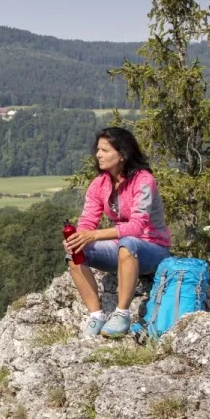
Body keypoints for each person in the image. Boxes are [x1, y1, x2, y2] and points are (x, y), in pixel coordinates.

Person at [64, 127, 171, 338]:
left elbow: (137, 227)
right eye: (98, 150)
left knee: (128, 243)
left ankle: (122, 314)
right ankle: (96, 315)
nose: (98, 155)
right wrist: (78, 238)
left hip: (153, 247)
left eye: (104, 150)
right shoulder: (99, 184)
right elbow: (88, 220)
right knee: (74, 253)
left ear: (122, 154)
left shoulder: (143, 180)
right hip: (122, 247)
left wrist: (93, 236)